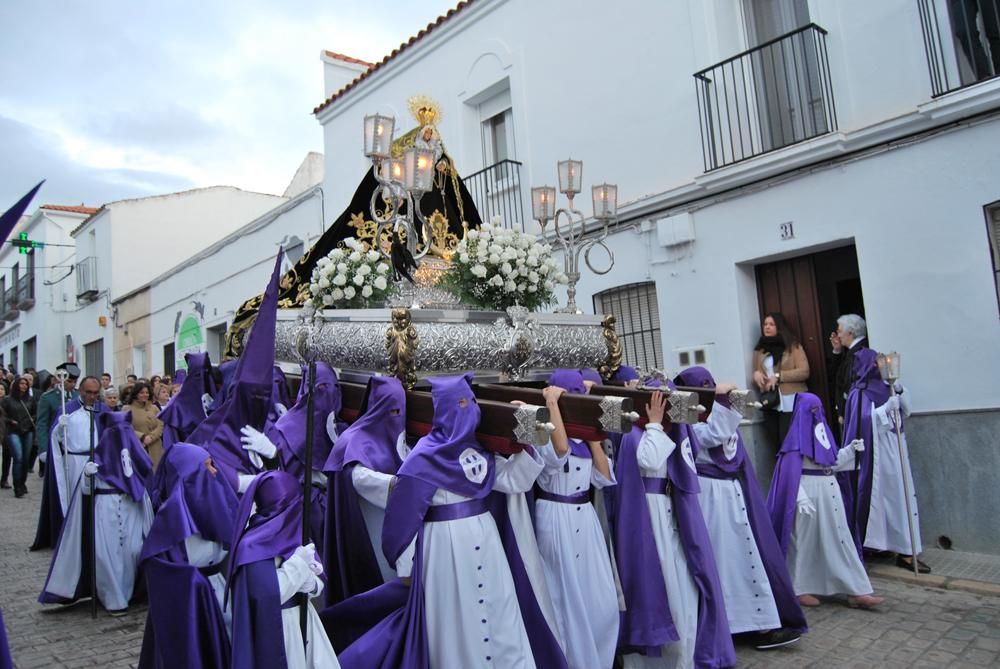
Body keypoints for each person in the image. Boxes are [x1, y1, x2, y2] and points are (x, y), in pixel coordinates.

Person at [333, 374, 565, 669]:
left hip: (485, 539)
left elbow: (512, 479)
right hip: (444, 550)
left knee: (500, 612)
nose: (466, 410)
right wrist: (406, 565)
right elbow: (402, 517)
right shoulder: (422, 459)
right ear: (444, 409)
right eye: (459, 403)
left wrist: (528, 441)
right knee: (457, 623)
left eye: (469, 403)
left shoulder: (478, 450)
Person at [674, 366, 806, 651]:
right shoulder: (689, 425)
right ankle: (730, 625)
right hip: (709, 498)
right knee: (723, 559)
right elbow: (713, 435)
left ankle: (758, 622)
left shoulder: (719, 414)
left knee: (745, 557)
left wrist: (722, 395)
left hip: (732, 494)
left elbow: (728, 437)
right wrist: (718, 397)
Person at [612, 383, 736, 669]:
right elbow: (649, 460)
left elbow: (699, 444)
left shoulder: (672, 430)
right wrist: (654, 425)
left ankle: (686, 658)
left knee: (684, 588)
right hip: (648, 517)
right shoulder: (633, 432)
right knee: (661, 585)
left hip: (671, 514)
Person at [766, 393, 882, 609]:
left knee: (840, 539)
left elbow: (832, 462)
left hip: (830, 493)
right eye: (813, 409)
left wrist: (850, 451)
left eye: (819, 408)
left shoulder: (824, 436)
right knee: (804, 544)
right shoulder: (794, 442)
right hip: (808, 495)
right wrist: (798, 497)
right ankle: (799, 587)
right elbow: (787, 475)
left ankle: (856, 590)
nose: (817, 413)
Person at [537, 369, 619, 669]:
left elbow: (605, 478)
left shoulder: (587, 443)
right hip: (555, 516)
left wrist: (592, 434)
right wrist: (553, 405)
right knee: (565, 598)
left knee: (601, 598)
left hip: (585, 519)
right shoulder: (545, 433)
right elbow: (560, 450)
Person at [40, 410, 154, 614]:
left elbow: (144, 481)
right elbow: (85, 491)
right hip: (105, 508)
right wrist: (86, 475)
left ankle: (128, 593)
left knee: (132, 552)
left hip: (130, 509)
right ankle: (113, 598)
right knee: (106, 554)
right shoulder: (97, 456)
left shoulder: (136, 455)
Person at [226, 471, 341, 668]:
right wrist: (297, 567)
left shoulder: (295, 532)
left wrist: (311, 583)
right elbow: (269, 595)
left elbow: (319, 581)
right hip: (278, 628)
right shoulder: (252, 546)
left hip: (306, 621)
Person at [138, 442, 238, 668]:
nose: (214, 471)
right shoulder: (170, 522)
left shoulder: (217, 504)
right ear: (190, 474)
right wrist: (193, 583)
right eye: (207, 466)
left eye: (213, 464)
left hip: (219, 592)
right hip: (189, 605)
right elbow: (161, 573)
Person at [322, 374, 407, 604]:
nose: (396, 417)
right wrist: (392, 485)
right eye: (391, 411)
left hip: (395, 524)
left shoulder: (398, 435)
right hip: (368, 522)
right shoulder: (354, 439)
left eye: (400, 411)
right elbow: (355, 476)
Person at [843, 349, 929, 573]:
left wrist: (900, 393)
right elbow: (862, 424)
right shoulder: (859, 393)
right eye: (876, 363)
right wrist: (883, 410)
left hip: (896, 447)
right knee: (887, 501)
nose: (880, 367)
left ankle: (905, 548)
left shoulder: (888, 386)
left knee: (902, 498)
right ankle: (887, 546)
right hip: (879, 456)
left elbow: (906, 411)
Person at [752, 313, 810, 446]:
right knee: (775, 440)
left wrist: (779, 376)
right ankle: (782, 467)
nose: (767, 327)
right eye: (765, 324)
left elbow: (804, 371)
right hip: (770, 400)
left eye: (771, 324)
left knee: (789, 439)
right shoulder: (760, 349)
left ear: (779, 327)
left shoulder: (793, 346)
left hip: (789, 399)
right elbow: (758, 372)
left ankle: (794, 466)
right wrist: (756, 374)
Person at [828, 314, 868, 428]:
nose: (838, 335)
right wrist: (837, 350)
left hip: (854, 412)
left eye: (840, 331)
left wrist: (843, 410)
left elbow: (851, 384)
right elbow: (836, 375)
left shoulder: (860, 352)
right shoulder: (851, 352)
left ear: (850, 332)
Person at [3, 376, 37, 498]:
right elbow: (3, 415)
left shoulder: (31, 400)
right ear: (16, 385)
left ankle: (22, 483)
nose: (24, 386)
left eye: (26, 384)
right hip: (13, 431)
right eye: (21, 383)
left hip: (27, 430)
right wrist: (10, 421)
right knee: (18, 458)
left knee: (26, 459)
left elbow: (35, 413)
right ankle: (17, 486)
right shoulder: (7, 400)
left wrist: (32, 419)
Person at [125, 381, 165, 468]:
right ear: (136, 394)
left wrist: (152, 437)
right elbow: (126, 427)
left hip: (155, 447)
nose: (145, 395)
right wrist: (142, 437)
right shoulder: (127, 409)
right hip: (137, 446)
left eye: (147, 392)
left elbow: (161, 424)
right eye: (142, 393)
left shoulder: (154, 408)